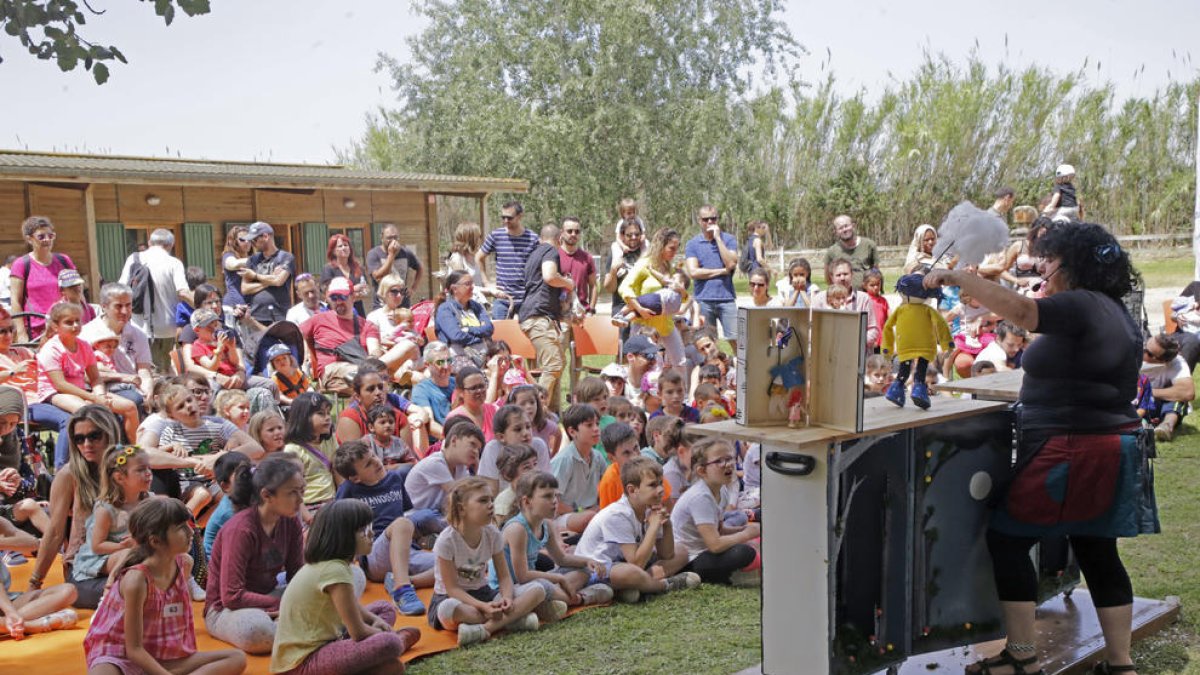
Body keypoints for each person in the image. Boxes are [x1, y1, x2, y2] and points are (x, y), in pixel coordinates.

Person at [924, 221, 1146, 675]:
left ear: (1071, 264)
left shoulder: (1079, 304)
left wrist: (961, 278)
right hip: (1106, 443)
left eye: (1050, 259)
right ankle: (1121, 664)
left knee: (1009, 538)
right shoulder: (1112, 309)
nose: (1043, 266)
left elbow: (1025, 314)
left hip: (1071, 446)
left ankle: (1021, 658)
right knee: (1098, 549)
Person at [83, 497, 247, 675]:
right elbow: (134, 650)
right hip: (120, 657)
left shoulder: (185, 564)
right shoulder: (136, 580)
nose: (190, 532)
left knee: (236, 658)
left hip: (164, 657)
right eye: (181, 528)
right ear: (155, 541)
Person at [271, 499, 420, 675]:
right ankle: (396, 641)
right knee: (391, 644)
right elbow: (357, 632)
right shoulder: (334, 569)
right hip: (301, 664)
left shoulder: (335, 565)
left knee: (384, 612)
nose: (371, 534)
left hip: (328, 643)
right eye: (364, 530)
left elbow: (354, 608)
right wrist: (383, 635)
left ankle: (373, 652)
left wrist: (375, 621)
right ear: (343, 536)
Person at [427, 477, 546, 646]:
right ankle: (513, 620)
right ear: (461, 509)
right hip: (452, 598)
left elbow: (504, 577)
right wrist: (483, 607)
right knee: (449, 609)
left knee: (538, 590)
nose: (491, 504)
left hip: (484, 593)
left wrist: (507, 598)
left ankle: (484, 629)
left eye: (491, 499)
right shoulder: (447, 540)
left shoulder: (492, 533)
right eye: (483, 500)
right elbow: (452, 589)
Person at [204, 454, 305, 654]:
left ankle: (292, 625)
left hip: (269, 595)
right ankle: (299, 627)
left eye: (302, 490)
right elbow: (232, 596)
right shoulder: (241, 529)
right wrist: (283, 603)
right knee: (258, 631)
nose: (301, 499)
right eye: (293, 493)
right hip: (227, 611)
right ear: (267, 495)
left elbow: (297, 574)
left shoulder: (290, 520)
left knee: (347, 578)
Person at [574, 456, 700, 603]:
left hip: (629, 566)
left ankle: (635, 587)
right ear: (633, 490)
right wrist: (653, 526)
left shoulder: (648, 507)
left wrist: (667, 525)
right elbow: (636, 564)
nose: (661, 489)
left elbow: (667, 554)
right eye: (653, 485)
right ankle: (663, 585)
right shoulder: (618, 514)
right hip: (596, 570)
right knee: (631, 573)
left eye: (660, 483)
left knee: (682, 551)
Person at [332, 442, 433, 616]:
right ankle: (402, 591)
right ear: (355, 477)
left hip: (404, 552)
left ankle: (401, 580)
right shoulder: (349, 490)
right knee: (401, 523)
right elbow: (338, 525)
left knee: (452, 563)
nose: (376, 462)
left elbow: (406, 511)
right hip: (374, 554)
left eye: (374, 457)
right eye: (368, 464)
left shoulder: (394, 479)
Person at [498, 471, 614, 613]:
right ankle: (580, 598)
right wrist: (559, 578)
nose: (554, 501)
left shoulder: (546, 523)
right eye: (547, 496)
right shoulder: (517, 529)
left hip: (532, 582)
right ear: (527, 501)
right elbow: (522, 576)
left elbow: (562, 558)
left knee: (583, 570)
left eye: (555, 495)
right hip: (509, 589)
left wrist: (587, 561)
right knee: (542, 586)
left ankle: (548, 602)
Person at [37, 302, 140, 444]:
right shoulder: (51, 349)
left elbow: (95, 377)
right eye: (68, 322)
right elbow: (60, 384)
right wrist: (93, 398)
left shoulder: (84, 345)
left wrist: (100, 395)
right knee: (89, 411)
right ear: (56, 326)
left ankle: (136, 451)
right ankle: (98, 456)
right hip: (55, 393)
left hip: (82, 390)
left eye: (77, 321)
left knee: (129, 407)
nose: (75, 326)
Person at [671, 438, 760, 584]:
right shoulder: (701, 497)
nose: (729, 464)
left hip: (706, 549)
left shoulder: (722, 489)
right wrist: (745, 534)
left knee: (751, 540)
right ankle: (711, 576)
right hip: (690, 558)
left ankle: (726, 574)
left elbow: (720, 530)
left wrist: (745, 529)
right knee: (743, 553)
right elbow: (715, 544)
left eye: (730, 458)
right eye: (719, 461)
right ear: (702, 471)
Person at [518, 224, 573, 412]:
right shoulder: (550, 251)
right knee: (554, 364)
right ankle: (535, 410)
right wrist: (568, 283)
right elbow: (550, 276)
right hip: (537, 316)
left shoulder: (534, 254)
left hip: (536, 316)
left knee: (558, 363)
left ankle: (552, 411)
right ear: (559, 240)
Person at [119, 228, 193, 367]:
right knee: (163, 370)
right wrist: (200, 307)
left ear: (149, 243)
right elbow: (183, 292)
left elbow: (121, 288)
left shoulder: (134, 258)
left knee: (141, 367)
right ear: (171, 245)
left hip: (138, 325)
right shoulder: (174, 263)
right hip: (167, 328)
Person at [0, 515, 78, 639]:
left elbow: (33, 544)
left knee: (68, 591)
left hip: (6, 601)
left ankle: (12, 623)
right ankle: (31, 625)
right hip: (5, 603)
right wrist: (10, 611)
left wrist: (11, 612)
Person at [80, 282, 154, 413]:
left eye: (128, 305)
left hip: (133, 386)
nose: (125, 311)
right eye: (118, 306)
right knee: (134, 400)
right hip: (98, 388)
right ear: (104, 307)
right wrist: (122, 377)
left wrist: (148, 390)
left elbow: (144, 370)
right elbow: (84, 375)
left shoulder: (138, 335)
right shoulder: (87, 334)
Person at [301, 277, 381, 396]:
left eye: (343, 297)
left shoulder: (367, 325)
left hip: (360, 368)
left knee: (407, 346)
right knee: (374, 378)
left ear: (353, 297)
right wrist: (306, 354)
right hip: (332, 369)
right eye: (334, 298)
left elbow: (374, 349)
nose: (338, 301)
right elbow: (296, 334)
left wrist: (373, 358)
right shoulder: (318, 320)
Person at [620, 229, 687, 370]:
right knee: (642, 365)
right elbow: (625, 287)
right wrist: (639, 309)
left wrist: (681, 291)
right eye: (671, 248)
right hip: (643, 324)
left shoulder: (670, 268)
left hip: (665, 324)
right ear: (661, 245)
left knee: (681, 362)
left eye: (677, 248)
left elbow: (683, 296)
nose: (675, 252)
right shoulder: (644, 264)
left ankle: (682, 391)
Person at [10, 216, 77, 343]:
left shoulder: (64, 261)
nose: (47, 240)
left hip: (65, 327)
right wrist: (21, 333)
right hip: (37, 331)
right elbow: (15, 301)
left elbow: (77, 293)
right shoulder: (22, 265)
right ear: (29, 239)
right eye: (41, 236)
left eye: (51, 236)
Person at [684, 205, 740, 351]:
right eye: (705, 219)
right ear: (699, 221)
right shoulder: (692, 244)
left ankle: (741, 370)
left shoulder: (729, 240)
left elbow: (731, 263)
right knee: (707, 342)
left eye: (713, 218)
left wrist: (718, 239)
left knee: (736, 340)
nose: (710, 222)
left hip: (726, 299)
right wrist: (722, 271)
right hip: (703, 299)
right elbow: (694, 272)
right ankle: (713, 370)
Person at [476, 201, 539, 319]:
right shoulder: (496, 236)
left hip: (526, 300)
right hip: (502, 299)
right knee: (500, 334)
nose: (505, 221)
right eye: (503, 217)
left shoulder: (533, 238)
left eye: (509, 218)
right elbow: (479, 257)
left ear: (520, 216)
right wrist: (487, 283)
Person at [405, 420, 484, 514]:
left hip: (437, 515)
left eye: (478, 449)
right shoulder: (435, 463)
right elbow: (460, 495)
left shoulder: (460, 466)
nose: (476, 452)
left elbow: (477, 492)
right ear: (454, 440)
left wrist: (477, 467)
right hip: (415, 516)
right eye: (472, 444)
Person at [549, 403, 605, 534]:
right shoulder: (564, 460)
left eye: (597, 423)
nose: (596, 429)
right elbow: (552, 501)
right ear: (572, 431)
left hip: (591, 511)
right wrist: (580, 512)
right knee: (588, 519)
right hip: (563, 517)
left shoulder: (598, 457)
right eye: (589, 425)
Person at [282, 392, 337, 519]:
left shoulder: (330, 440)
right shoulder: (292, 449)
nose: (328, 418)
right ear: (303, 417)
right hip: (310, 507)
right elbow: (292, 488)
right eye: (321, 414)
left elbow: (337, 470)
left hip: (333, 502)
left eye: (328, 413)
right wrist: (307, 517)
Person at [477, 404, 552, 494]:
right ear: (501, 437)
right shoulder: (493, 448)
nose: (525, 433)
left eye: (528, 427)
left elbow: (545, 483)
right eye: (518, 429)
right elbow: (491, 491)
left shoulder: (538, 445)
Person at [811, 258, 881, 351]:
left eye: (845, 274)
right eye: (838, 275)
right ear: (831, 277)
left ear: (852, 274)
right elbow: (811, 327)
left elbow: (873, 330)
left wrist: (855, 342)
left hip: (857, 353)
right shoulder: (820, 299)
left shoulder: (863, 299)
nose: (842, 278)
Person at [434, 270, 495, 370]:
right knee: (476, 374)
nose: (472, 287)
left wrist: (467, 329)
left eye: (472, 283)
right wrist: (480, 337)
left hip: (484, 354)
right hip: (458, 356)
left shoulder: (476, 306)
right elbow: (456, 336)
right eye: (467, 284)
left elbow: (489, 329)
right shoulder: (445, 309)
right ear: (454, 288)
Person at [240, 221, 295, 326]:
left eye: (254, 240)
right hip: (256, 315)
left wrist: (255, 276)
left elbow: (279, 281)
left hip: (279, 314)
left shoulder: (286, 257)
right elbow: (245, 289)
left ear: (265, 236)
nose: (252, 244)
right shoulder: (252, 260)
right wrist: (269, 280)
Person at [1141, 332, 1194, 442]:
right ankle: (1141, 423)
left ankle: (1166, 426)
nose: (1143, 350)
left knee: (1179, 397)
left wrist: (1147, 391)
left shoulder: (1177, 362)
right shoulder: (1131, 353)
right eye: (1145, 344)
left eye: (1149, 353)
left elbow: (1188, 392)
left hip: (1158, 405)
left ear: (1164, 361)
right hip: (1133, 402)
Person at [602, 218, 646, 347]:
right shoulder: (616, 254)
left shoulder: (646, 252)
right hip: (621, 307)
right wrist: (613, 270)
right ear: (622, 236)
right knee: (622, 349)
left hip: (643, 307)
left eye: (637, 234)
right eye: (629, 235)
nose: (633, 237)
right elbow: (609, 288)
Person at [202, 451, 252, 558]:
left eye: (249, 472)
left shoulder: (246, 498)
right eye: (241, 476)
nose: (248, 478)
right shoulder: (229, 512)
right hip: (219, 567)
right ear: (225, 486)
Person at [366, 223, 424, 309]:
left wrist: (413, 289)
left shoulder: (405, 252)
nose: (393, 241)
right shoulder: (374, 254)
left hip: (403, 304)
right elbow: (377, 276)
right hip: (382, 305)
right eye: (389, 238)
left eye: (395, 237)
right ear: (382, 238)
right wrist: (391, 255)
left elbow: (420, 268)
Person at [612, 270, 690, 326]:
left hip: (656, 299)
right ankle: (626, 319)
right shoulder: (680, 297)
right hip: (659, 311)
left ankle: (620, 314)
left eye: (674, 278)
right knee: (637, 313)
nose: (671, 280)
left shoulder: (675, 287)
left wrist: (651, 270)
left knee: (634, 302)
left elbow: (662, 278)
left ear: (681, 283)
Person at [321, 233, 373, 318]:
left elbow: (366, 288)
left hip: (358, 311)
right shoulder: (328, 269)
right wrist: (353, 290)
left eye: (346, 245)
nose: (344, 248)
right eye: (340, 246)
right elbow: (328, 293)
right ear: (333, 251)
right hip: (337, 312)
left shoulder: (358, 267)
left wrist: (363, 293)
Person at [822, 215, 877, 289]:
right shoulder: (831, 252)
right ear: (836, 232)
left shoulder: (869, 245)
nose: (844, 230)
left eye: (846, 226)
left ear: (853, 226)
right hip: (842, 297)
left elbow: (876, 273)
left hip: (866, 295)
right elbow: (828, 278)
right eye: (840, 228)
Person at [412, 341, 454, 434]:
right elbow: (429, 424)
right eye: (440, 362)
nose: (446, 366)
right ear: (427, 364)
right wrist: (451, 439)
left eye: (449, 360)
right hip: (442, 441)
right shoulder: (421, 390)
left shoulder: (457, 383)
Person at [558, 216, 597, 314]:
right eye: (569, 231)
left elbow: (593, 286)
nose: (573, 234)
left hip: (582, 313)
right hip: (559, 314)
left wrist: (591, 310)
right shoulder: (553, 256)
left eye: (577, 231)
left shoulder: (587, 257)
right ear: (561, 232)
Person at [220, 225, 253, 309]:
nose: (246, 242)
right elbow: (233, 264)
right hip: (233, 304)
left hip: (251, 304)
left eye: (249, 239)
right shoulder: (228, 255)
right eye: (242, 239)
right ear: (234, 241)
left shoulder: (253, 257)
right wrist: (256, 260)